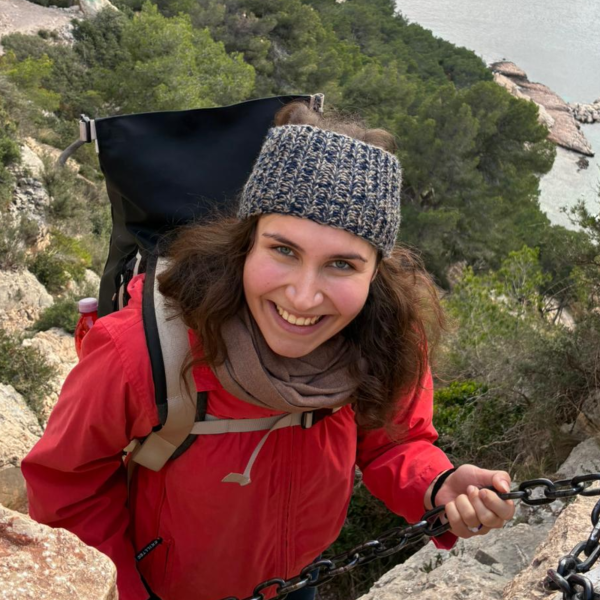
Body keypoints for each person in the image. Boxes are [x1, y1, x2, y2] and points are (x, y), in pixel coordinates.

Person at [22, 102, 515, 600]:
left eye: (342, 265)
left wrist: (437, 484)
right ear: (247, 242)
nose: (303, 296)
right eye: (283, 250)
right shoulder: (142, 350)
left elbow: (393, 443)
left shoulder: (383, 339)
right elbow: (67, 485)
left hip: (295, 580)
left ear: (375, 272)